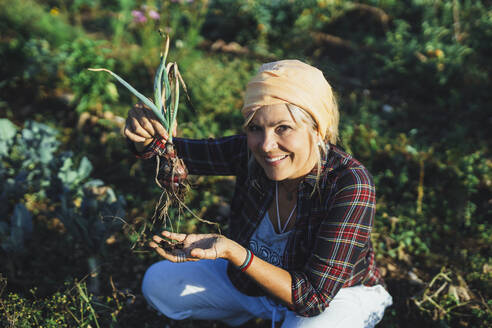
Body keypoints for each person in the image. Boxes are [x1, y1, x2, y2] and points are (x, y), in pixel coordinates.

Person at [124, 60, 392, 327]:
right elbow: (171, 154)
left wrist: (235, 252)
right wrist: (144, 132)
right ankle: (253, 313)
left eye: (283, 128)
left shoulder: (348, 183)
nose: (266, 145)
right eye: (255, 128)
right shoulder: (249, 154)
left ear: (317, 129)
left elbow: (313, 298)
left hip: (335, 298)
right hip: (254, 286)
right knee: (160, 283)